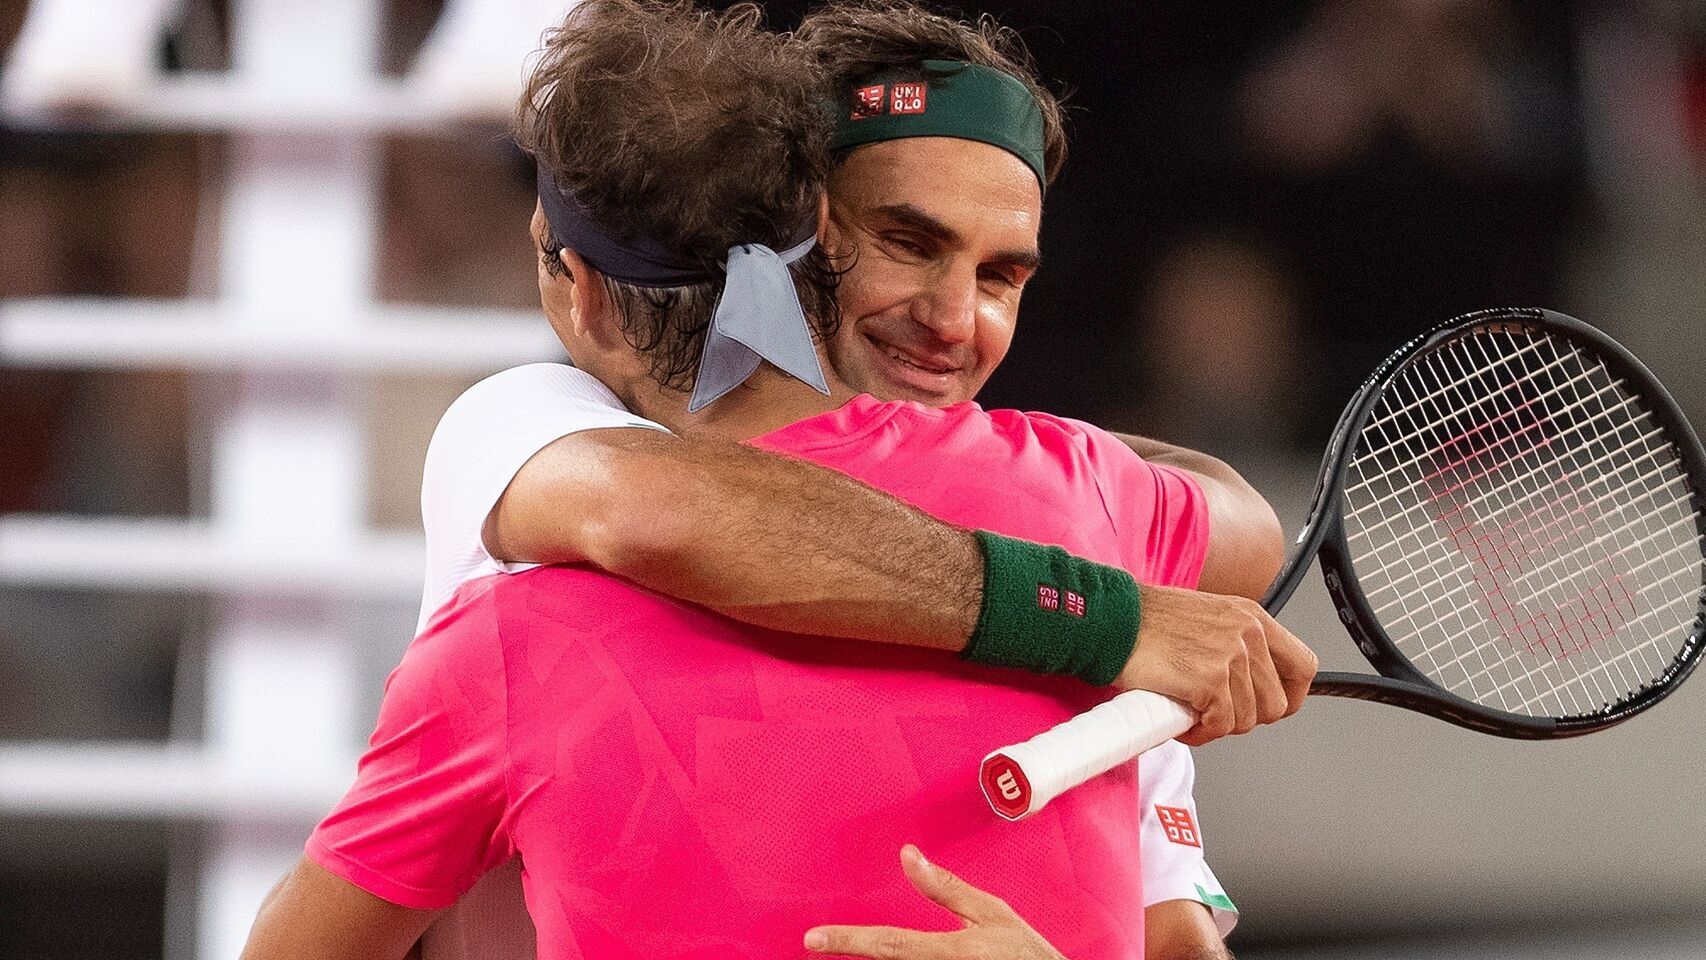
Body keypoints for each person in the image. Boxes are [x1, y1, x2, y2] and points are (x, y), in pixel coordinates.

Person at [241, 3, 1303, 956]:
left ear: (575, 284)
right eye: (904, 240)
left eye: (1000, 275)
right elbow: (666, 508)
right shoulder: (521, 426)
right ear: (811, 235)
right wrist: (1097, 610)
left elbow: (1242, 533)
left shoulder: (1090, 494)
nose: (951, 318)